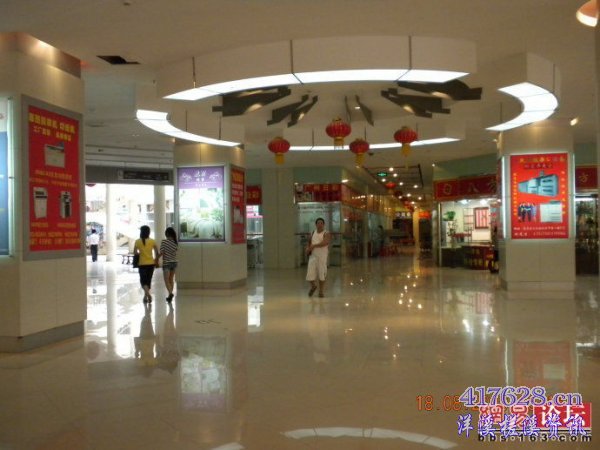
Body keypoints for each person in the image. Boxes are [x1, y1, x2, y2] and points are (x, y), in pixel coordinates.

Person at [306, 217, 330, 298]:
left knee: (321, 275)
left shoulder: (326, 233)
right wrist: (308, 248)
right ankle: (313, 286)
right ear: (316, 224)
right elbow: (309, 242)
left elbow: (325, 242)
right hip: (313, 257)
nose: (320, 225)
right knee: (310, 274)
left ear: (324, 224)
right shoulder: (312, 233)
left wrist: (314, 246)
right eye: (318, 223)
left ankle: (321, 291)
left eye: (321, 223)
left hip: (322, 257)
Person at [134, 225, 159, 303]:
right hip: (151, 264)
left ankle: (147, 295)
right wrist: (156, 261)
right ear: (148, 232)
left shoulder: (137, 241)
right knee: (148, 280)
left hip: (142, 264)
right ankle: (146, 296)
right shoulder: (152, 241)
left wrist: (140, 253)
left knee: (143, 281)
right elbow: (156, 253)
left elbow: (135, 252)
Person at [158, 227, 179, 303]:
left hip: (166, 263)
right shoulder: (175, 242)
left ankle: (170, 293)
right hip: (174, 263)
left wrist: (156, 258)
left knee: (166, 280)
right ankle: (170, 296)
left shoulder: (164, 242)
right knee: (171, 279)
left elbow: (161, 252)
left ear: (166, 234)